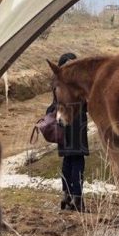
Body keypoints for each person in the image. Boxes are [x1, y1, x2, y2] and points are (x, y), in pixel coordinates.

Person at [48, 52, 89, 212]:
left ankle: (66, 195)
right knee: (78, 161)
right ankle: (77, 198)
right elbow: (85, 104)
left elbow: (53, 104)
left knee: (68, 160)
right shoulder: (77, 83)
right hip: (77, 123)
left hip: (62, 125)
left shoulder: (58, 83)